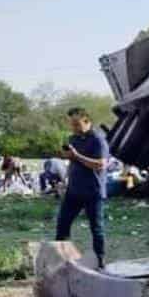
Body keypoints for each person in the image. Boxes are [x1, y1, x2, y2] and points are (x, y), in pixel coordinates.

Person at [55, 106, 109, 268]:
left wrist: (76, 156)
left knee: (96, 228)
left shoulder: (98, 140)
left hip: (92, 190)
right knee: (62, 224)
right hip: (73, 190)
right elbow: (72, 162)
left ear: (87, 122)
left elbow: (100, 164)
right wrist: (65, 177)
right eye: (72, 124)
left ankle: (100, 261)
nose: (74, 128)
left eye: (77, 124)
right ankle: (61, 260)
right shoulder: (73, 139)